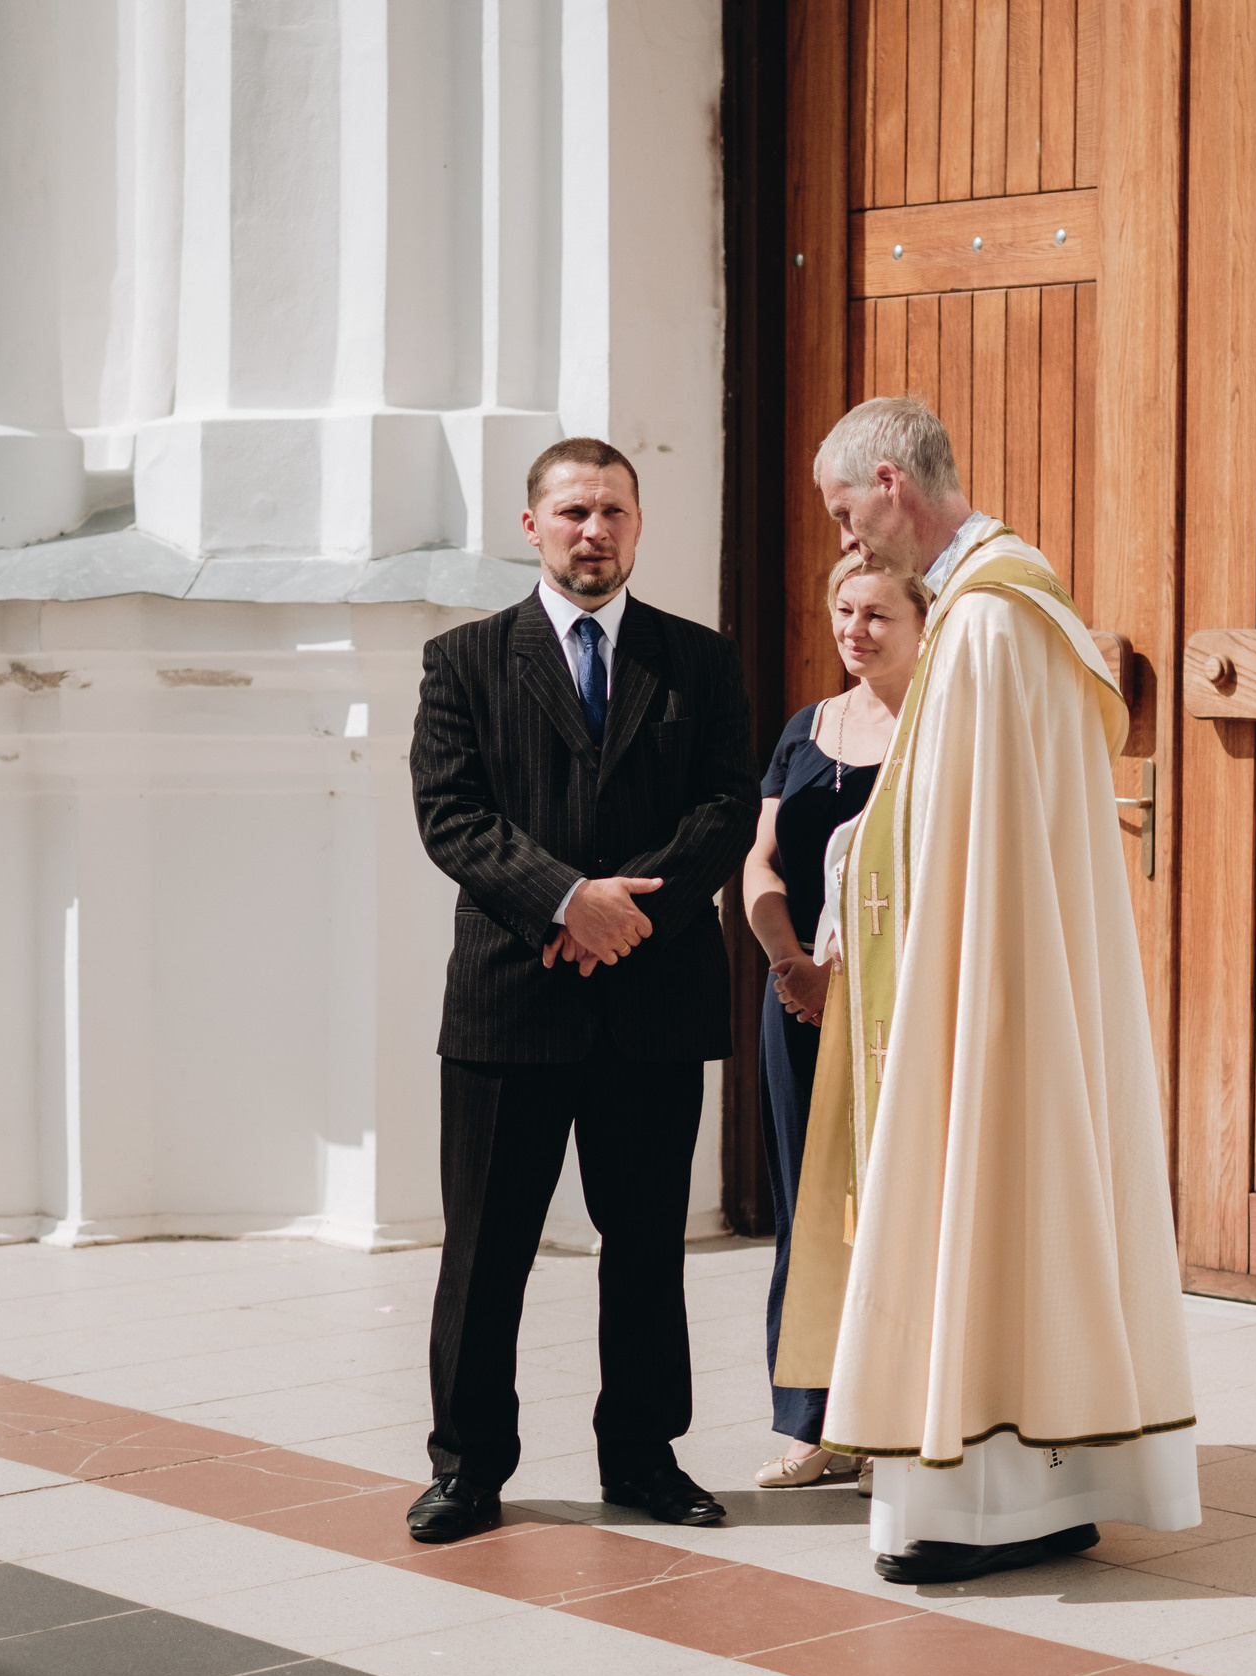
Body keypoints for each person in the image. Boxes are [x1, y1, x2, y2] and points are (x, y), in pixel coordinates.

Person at [774, 396, 1202, 1584]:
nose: (848, 539)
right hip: (989, 968)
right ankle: (1027, 1495)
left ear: (893, 484)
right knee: (1008, 1219)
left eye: (846, 508)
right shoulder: (1000, 603)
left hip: (982, 984)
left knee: (982, 1208)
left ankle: (979, 1507)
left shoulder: (984, 624)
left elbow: (960, 834)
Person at [405, 437, 758, 1543]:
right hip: (513, 999)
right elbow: (452, 815)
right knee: (485, 1248)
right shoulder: (463, 660)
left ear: (638, 525)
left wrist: (625, 914)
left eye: (612, 510)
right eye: (571, 511)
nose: (591, 529)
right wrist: (567, 900)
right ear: (532, 527)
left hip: (652, 999)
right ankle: (467, 1467)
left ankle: (644, 1456)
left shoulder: (699, 663)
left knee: (648, 1243)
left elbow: (725, 807)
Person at [739, 552, 930, 1489]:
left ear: (922, 621)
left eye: (878, 614)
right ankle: (815, 1420)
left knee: (897, 1206)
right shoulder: (807, 728)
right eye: (843, 611)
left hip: (904, 1004)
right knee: (806, 1205)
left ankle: (894, 1414)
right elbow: (763, 862)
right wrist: (793, 965)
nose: (856, 630)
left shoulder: (943, 733)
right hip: (801, 1000)